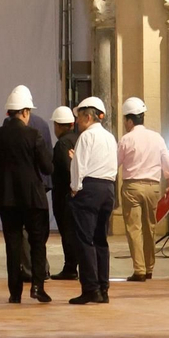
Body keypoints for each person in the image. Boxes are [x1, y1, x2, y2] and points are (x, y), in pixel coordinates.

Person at [0, 85, 54, 303]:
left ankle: (15, 293)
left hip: (7, 199)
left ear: (8, 112)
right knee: (37, 243)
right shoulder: (34, 135)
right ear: (25, 112)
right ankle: (37, 287)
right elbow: (47, 168)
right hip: (33, 198)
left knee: (12, 245)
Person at [116, 96, 169, 282]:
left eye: (125, 120)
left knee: (134, 228)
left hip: (132, 187)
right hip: (153, 187)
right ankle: (149, 268)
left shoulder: (126, 139)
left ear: (130, 120)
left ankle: (139, 269)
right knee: (150, 227)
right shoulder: (157, 138)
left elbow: (114, 164)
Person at [67, 96, 117, 304]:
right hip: (108, 188)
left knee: (85, 240)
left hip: (90, 189)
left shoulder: (86, 137)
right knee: (100, 241)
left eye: (79, 117)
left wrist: (75, 188)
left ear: (88, 116)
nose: (77, 122)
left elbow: (79, 165)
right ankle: (103, 289)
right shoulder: (110, 137)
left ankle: (90, 289)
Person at [49, 105, 80, 281]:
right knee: (75, 232)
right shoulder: (79, 138)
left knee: (67, 232)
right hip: (77, 194)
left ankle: (70, 268)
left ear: (59, 126)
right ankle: (73, 266)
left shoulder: (62, 144)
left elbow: (66, 170)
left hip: (64, 196)